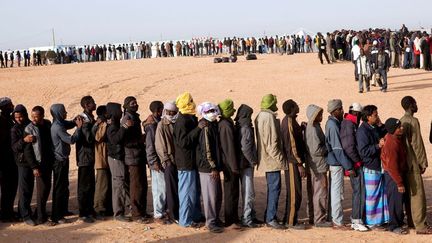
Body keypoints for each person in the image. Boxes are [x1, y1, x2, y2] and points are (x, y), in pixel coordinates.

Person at [400, 96, 432, 234]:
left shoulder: (401, 120)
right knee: (417, 194)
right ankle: (421, 225)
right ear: (411, 105)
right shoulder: (413, 121)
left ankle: (412, 222)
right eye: (415, 103)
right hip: (412, 162)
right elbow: (417, 144)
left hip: (404, 162)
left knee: (409, 194)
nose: (417, 105)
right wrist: (423, 162)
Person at [255, 94, 287, 230]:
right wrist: (282, 159)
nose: (276, 105)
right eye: (274, 103)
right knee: (274, 189)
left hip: (268, 159)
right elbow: (271, 144)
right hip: (272, 160)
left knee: (273, 189)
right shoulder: (268, 117)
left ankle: (269, 214)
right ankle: (270, 218)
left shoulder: (260, 116)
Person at [173, 92, 205, 228]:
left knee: (194, 191)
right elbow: (183, 142)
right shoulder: (181, 121)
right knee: (186, 192)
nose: (193, 102)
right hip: (185, 163)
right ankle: (185, 220)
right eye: (190, 101)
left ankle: (195, 215)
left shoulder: (189, 117)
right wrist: (198, 128)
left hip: (192, 161)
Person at [50, 103, 83, 224]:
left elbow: (68, 124)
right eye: (63, 111)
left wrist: (74, 121)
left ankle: (63, 210)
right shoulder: (57, 127)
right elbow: (71, 140)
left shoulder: (59, 123)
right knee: (59, 188)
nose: (66, 113)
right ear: (58, 113)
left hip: (63, 159)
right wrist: (79, 128)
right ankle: (56, 216)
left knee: (64, 186)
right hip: (59, 161)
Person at [356, 105, 388, 229]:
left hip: (377, 166)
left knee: (380, 195)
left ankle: (380, 220)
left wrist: (380, 124)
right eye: (375, 115)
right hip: (370, 168)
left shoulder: (372, 127)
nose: (377, 116)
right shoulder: (362, 131)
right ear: (368, 117)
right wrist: (377, 146)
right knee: (372, 197)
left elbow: (385, 131)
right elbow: (363, 151)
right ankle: (372, 222)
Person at [340, 103, 369, 232]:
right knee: (359, 191)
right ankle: (356, 220)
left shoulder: (351, 123)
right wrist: (357, 162)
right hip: (354, 165)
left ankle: (357, 219)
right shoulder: (348, 124)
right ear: (357, 113)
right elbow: (348, 147)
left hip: (354, 163)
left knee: (360, 191)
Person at [196, 102, 224, 233]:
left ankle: (215, 219)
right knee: (210, 196)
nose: (211, 113)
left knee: (217, 195)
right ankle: (210, 222)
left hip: (214, 167)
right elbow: (206, 150)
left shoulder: (212, 125)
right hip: (207, 168)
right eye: (208, 111)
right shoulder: (205, 127)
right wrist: (213, 167)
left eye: (213, 110)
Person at [325, 99, 353, 230]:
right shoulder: (332, 125)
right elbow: (337, 149)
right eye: (340, 109)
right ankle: (337, 221)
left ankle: (336, 219)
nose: (342, 111)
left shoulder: (335, 122)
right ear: (334, 111)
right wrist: (348, 166)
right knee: (337, 192)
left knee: (337, 191)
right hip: (336, 163)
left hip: (336, 162)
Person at [24, 106, 54, 225]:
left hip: (48, 162)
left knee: (46, 188)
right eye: (32, 116)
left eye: (36, 116)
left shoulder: (47, 124)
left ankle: (40, 213)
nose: (34, 118)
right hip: (39, 164)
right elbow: (28, 151)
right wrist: (34, 167)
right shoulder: (29, 129)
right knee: (41, 191)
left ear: (42, 115)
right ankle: (41, 218)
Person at [122, 96, 149, 223]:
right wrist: (140, 140)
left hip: (138, 155)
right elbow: (126, 141)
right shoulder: (127, 119)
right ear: (126, 105)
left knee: (142, 185)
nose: (135, 105)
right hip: (132, 157)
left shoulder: (134, 117)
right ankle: (137, 214)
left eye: (136, 103)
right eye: (132, 103)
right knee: (136, 186)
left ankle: (142, 211)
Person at [280, 100, 307, 230]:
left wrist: (301, 128)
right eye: (296, 105)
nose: (298, 106)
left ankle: (289, 219)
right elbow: (292, 147)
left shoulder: (291, 120)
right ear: (291, 108)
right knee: (294, 193)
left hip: (294, 162)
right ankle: (291, 222)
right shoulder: (288, 123)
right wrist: (299, 164)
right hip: (292, 163)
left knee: (295, 192)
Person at [304, 104, 332, 228]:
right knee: (321, 192)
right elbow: (315, 150)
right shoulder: (313, 129)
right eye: (319, 114)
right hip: (318, 165)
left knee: (315, 192)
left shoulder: (314, 126)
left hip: (314, 164)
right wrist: (328, 147)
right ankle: (319, 219)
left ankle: (313, 217)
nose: (321, 116)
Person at [234, 104, 261, 228]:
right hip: (246, 164)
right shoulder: (246, 127)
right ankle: (247, 219)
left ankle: (250, 216)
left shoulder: (239, 125)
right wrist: (253, 161)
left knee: (248, 192)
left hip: (241, 164)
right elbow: (245, 148)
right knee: (248, 192)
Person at [381, 118, 408, 235]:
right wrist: (399, 183)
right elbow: (392, 167)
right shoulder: (391, 144)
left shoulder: (393, 138)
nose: (401, 128)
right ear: (393, 130)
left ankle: (399, 221)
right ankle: (394, 225)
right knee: (395, 201)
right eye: (399, 127)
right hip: (393, 175)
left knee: (398, 200)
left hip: (395, 174)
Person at [144, 101, 170, 224]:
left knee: (163, 187)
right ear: (159, 110)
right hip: (156, 162)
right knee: (159, 189)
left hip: (160, 161)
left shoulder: (155, 122)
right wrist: (153, 161)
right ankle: (158, 215)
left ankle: (162, 212)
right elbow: (150, 146)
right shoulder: (151, 125)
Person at [11, 105, 36, 226]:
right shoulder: (15, 129)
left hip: (32, 162)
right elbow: (15, 147)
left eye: (21, 116)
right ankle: (25, 215)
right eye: (16, 117)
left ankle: (25, 211)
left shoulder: (30, 125)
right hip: (22, 163)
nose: (19, 119)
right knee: (24, 189)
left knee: (29, 188)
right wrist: (24, 140)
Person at [106, 102, 131, 222]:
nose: (121, 112)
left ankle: (127, 205)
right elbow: (115, 139)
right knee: (118, 185)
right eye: (119, 110)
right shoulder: (112, 126)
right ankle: (118, 213)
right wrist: (125, 127)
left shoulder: (114, 124)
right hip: (115, 158)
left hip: (118, 157)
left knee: (122, 183)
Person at [155, 101, 179, 223]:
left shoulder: (178, 123)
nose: (170, 114)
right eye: (168, 112)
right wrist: (166, 160)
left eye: (172, 112)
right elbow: (160, 145)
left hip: (178, 161)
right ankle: (172, 214)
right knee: (171, 189)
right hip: (169, 162)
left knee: (178, 188)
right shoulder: (162, 125)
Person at [218, 99, 240, 228]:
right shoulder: (225, 125)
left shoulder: (227, 122)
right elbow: (229, 148)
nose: (234, 110)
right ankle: (230, 220)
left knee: (233, 191)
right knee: (230, 192)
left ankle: (233, 217)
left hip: (230, 163)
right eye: (231, 108)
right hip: (229, 164)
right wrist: (234, 166)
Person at [76, 96, 97, 223]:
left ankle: (89, 210)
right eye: (92, 103)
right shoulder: (83, 120)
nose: (94, 104)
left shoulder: (89, 118)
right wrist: (96, 126)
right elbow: (89, 139)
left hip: (89, 156)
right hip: (84, 157)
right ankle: (83, 213)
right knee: (84, 186)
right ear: (86, 105)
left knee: (90, 185)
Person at [92, 105, 113, 218]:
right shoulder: (100, 124)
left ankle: (106, 208)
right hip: (101, 158)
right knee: (101, 186)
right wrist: (104, 124)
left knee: (107, 185)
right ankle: (98, 209)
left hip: (106, 157)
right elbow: (98, 137)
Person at [0, 97, 18, 222]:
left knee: (10, 188)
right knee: (7, 188)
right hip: (4, 162)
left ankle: (8, 211)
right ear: (4, 108)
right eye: (10, 105)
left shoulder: (9, 119)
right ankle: (6, 214)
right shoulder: (1, 121)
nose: (12, 106)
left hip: (10, 160)